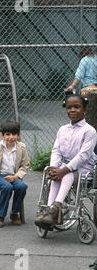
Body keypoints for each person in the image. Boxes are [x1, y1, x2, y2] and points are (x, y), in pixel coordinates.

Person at [35, 94, 97, 227]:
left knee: (66, 173)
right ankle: (50, 210)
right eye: (69, 107)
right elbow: (56, 150)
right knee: (57, 174)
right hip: (66, 167)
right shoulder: (62, 129)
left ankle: (55, 207)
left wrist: (64, 170)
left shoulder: (89, 131)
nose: (72, 110)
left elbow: (84, 155)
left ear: (84, 110)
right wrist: (54, 167)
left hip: (84, 169)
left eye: (76, 107)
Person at [0, 120, 30, 228]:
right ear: (2, 135)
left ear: (18, 135)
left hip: (14, 175)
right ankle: (0, 215)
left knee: (22, 186)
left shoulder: (21, 147)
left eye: (14, 134)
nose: (11, 137)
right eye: (8, 134)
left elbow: (25, 165)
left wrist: (16, 176)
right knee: (7, 187)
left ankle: (14, 213)